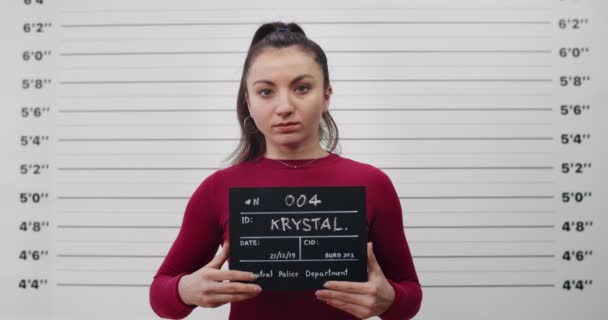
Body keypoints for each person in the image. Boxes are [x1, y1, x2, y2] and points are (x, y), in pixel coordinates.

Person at [149, 21, 422, 320]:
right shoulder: (219, 188)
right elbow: (160, 295)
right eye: (266, 92)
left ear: (326, 96)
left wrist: (389, 299)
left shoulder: (372, 184)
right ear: (249, 103)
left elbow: (410, 295)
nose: (284, 106)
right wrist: (185, 290)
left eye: (301, 88)